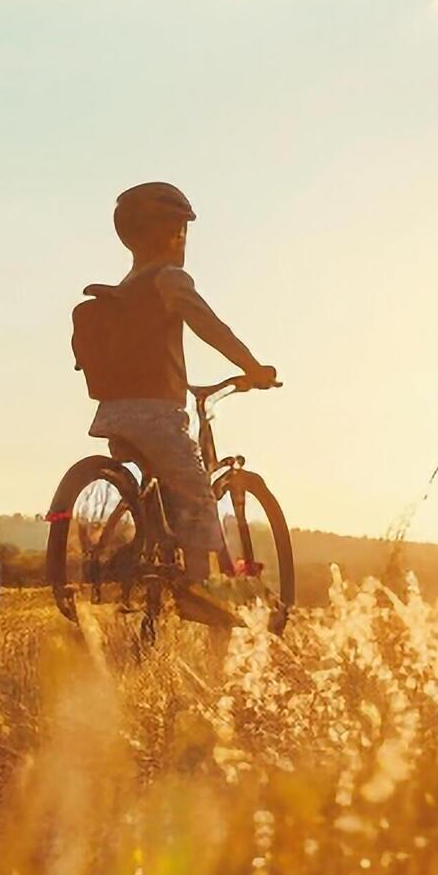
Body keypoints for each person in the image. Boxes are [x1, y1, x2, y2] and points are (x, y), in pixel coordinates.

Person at [72, 181, 276, 628]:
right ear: (166, 234)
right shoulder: (168, 279)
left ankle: (145, 559)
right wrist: (252, 366)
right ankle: (201, 592)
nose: (184, 240)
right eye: (180, 230)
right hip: (157, 416)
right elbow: (210, 326)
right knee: (199, 494)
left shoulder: (123, 289)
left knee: (163, 498)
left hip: (111, 414)